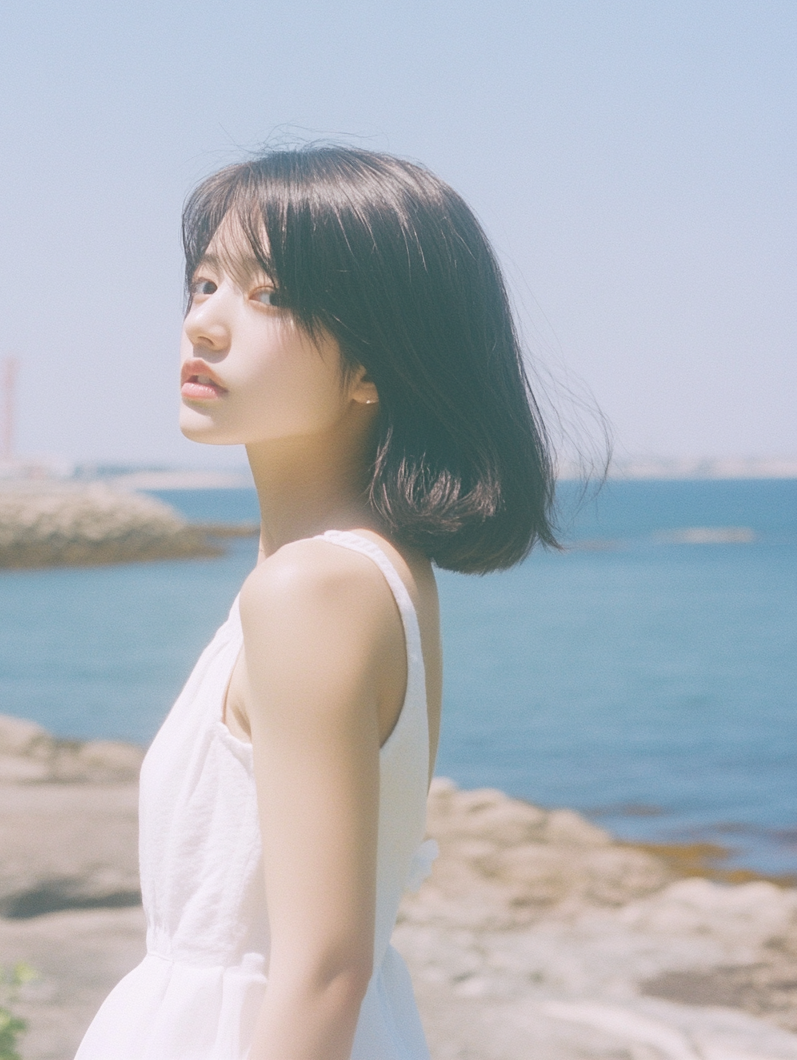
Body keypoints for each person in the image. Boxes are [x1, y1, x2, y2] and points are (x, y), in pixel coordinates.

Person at [74, 146, 557, 1060]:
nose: (204, 325)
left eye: (269, 295)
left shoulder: (314, 590)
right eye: (204, 281)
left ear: (378, 361)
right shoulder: (371, 572)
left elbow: (326, 972)